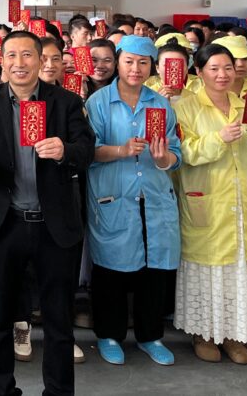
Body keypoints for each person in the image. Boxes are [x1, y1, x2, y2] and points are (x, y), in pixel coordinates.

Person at [0, 30, 94, 396]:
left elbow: (86, 149)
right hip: (5, 224)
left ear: (41, 60)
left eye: (28, 55)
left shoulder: (65, 102)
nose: (20, 63)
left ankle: (59, 391)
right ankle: (2, 390)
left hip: (55, 226)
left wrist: (65, 150)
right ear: (2, 61)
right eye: (12, 55)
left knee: (58, 320)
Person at [84, 35, 182, 367]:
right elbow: (88, 151)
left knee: (154, 271)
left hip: (154, 196)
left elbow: (176, 153)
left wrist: (164, 158)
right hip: (114, 195)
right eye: (129, 61)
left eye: (143, 63)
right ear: (118, 63)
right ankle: (109, 334)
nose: (135, 69)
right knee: (110, 272)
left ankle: (150, 336)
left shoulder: (161, 104)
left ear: (152, 66)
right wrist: (121, 150)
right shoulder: (99, 103)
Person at [172, 43, 247, 364]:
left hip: (242, 200)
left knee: (238, 267)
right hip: (207, 198)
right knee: (207, 268)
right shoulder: (185, 107)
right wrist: (218, 139)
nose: (222, 74)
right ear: (199, 72)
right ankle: (203, 334)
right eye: (213, 68)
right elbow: (185, 153)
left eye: (227, 67)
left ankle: (233, 336)